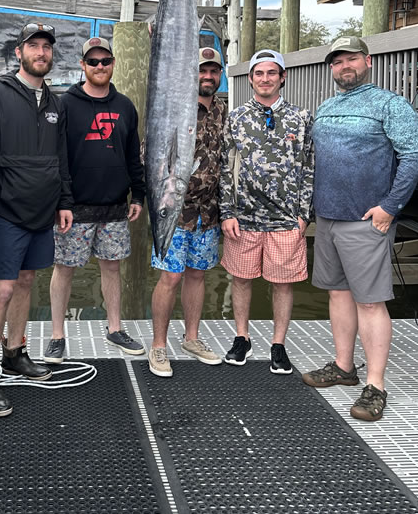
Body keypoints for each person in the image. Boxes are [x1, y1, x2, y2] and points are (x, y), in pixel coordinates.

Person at [302, 35, 418, 421]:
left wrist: (389, 207)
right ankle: (343, 367)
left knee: (370, 301)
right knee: (337, 294)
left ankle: (376, 385)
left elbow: (414, 155)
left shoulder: (391, 104)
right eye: (337, 61)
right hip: (327, 217)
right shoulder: (325, 106)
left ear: (367, 61)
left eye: (351, 59)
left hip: (366, 220)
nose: (344, 66)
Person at [0, 22, 73, 417]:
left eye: (47, 47)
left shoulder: (55, 103)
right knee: (1, 289)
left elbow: (62, 157)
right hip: (4, 211)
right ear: (19, 52)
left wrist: (64, 200)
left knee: (28, 280)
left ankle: (15, 351)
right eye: (34, 46)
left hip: (43, 211)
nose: (41, 53)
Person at [44, 37, 146, 362]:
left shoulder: (126, 106)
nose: (99, 66)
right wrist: (60, 200)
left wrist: (138, 194)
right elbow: (55, 157)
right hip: (74, 208)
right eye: (93, 62)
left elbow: (134, 156)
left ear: (113, 64)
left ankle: (114, 328)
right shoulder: (64, 105)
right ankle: (57, 334)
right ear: (83, 65)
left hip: (115, 206)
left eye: (105, 61)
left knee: (112, 268)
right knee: (63, 269)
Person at [219, 49, 314, 374]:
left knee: (283, 284)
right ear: (251, 79)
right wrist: (226, 211)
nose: (265, 79)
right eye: (259, 73)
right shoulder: (236, 118)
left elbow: (309, 169)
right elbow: (224, 168)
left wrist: (303, 216)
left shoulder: (301, 118)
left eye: (271, 73)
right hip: (243, 218)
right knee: (241, 280)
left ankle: (278, 344)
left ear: (282, 77)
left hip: (286, 220)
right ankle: (242, 337)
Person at [148, 47, 227, 377]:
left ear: (219, 75)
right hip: (174, 211)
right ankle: (158, 345)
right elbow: (149, 154)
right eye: (201, 70)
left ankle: (191, 338)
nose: (207, 76)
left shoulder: (224, 111)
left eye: (213, 71)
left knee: (197, 275)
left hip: (209, 213)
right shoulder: (175, 109)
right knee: (171, 277)